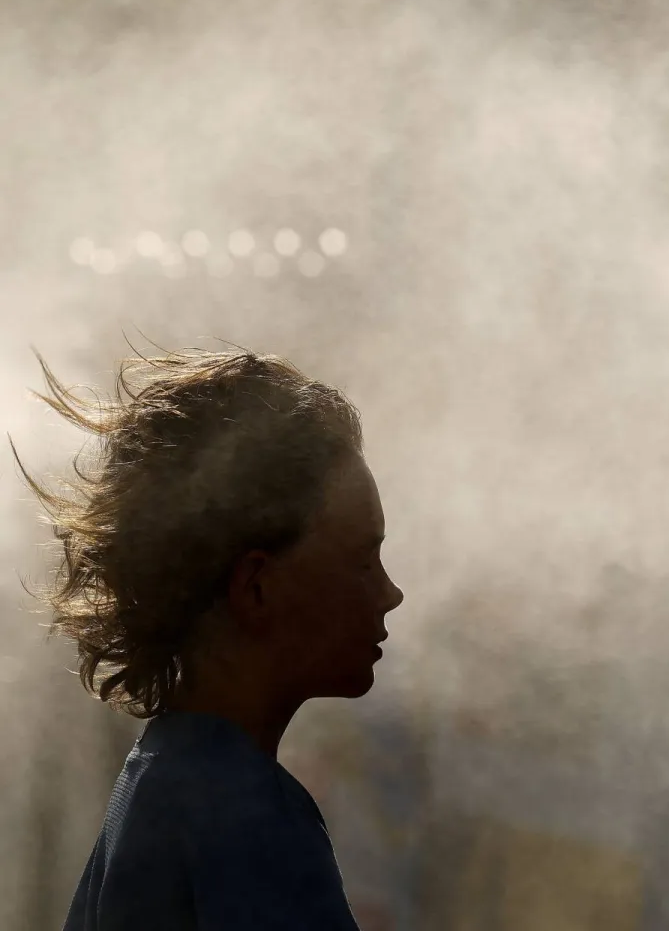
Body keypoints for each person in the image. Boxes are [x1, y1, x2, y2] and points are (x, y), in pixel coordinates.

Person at [14, 349, 404, 930]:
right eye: (362, 561)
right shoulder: (246, 816)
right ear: (256, 588)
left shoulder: (159, 776)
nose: (391, 593)